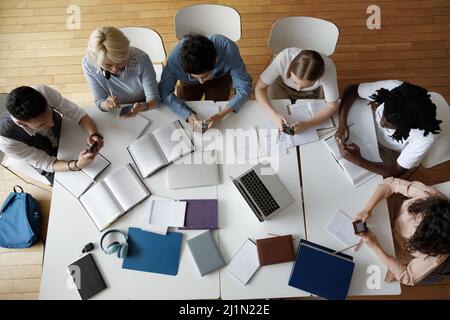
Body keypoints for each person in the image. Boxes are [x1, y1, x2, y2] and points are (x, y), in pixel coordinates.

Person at [354, 177, 450, 286]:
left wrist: (375, 246)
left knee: (366, 272)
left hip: (397, 249)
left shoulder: (436, 256)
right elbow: (390, 183)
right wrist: (367, 210)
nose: (411, 220)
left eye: (416, 229)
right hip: (390, 212)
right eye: (415, 214)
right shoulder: (430, 197)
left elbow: (407, 277)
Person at [335, 80, 442, 177]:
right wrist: (342, 123)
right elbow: (353, 90)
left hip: (389, 151)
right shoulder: (392, 90)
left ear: (406, 126)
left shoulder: (424, 138)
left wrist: (359, 161)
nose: (382, 122)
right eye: (384, 114)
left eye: (390, 122)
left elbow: (396, 170)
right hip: (367, 125)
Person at [0, 85, 104, 184]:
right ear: (21, 123)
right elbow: (45, 163)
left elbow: (76, 112)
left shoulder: (42, 92)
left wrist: (93, 133)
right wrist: (77, 165)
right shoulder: (7, 141)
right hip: (45, 157)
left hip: (64, 133)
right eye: (42, 124)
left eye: (50, 115)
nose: (52, 124)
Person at [159, 33, 252, 130]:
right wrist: (188, 115)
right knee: (184, 116)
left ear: (216, 60)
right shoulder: (174, 61)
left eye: (204, 76)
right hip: (188, 83)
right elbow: (164, 92)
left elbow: (245, 86)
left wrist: (220, 115)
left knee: (218, 110)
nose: (201, 82)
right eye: (195, 77)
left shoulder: (229, 49)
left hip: (219, 79)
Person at [255, 48, 339, 132]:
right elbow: (259, 88)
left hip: (311, 92)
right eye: (294, 82)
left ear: (320, 77)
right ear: (290, 67)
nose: (298, 89)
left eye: (306, 85)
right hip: (282, 86)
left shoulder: (329, 69)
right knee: (274, 109)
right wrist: (273, 115)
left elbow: (332, 106)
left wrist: (308, 124)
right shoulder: (283, 59)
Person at [82, 27, 160, 117]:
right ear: (97, 62)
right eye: (108, 65)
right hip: (117, 109)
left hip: (143, 104)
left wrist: (143, 106)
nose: (115, 69)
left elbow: (155, 99)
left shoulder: (141, 59)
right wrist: (106, 105)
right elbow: (100, 100)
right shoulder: (89, 64)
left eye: (120, 62)